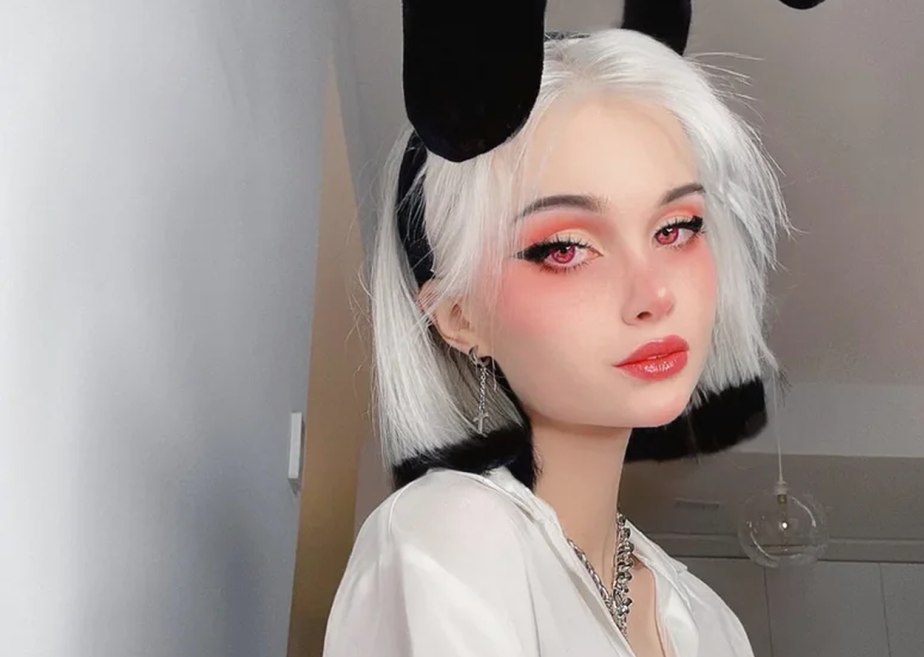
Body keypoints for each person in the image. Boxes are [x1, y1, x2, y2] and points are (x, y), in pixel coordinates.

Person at [324, 2, 824, 655]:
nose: (653, 295)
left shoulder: (710, 621)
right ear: (459, 317)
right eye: (564, 248)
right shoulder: (446, 540)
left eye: (675, 228)